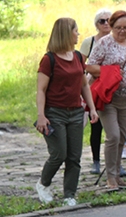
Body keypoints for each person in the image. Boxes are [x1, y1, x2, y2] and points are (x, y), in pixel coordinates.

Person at [34, 18, 99, 206]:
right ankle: (43, 183)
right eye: (76, 31)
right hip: (55, 112)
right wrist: (41, 115)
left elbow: (84, 84)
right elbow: (41, 89)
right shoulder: (49, 59)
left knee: (74, 156)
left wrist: (91, 108)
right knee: (59, 153)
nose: (78, 34)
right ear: (66, 33)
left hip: (76, 112)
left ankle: (69, 194)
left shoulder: (78, 56)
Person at [87, 10, 126, 190]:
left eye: (125, 27)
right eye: (118, 28)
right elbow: (90, 66)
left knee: (122, 137)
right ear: (112, 26)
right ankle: (110, 179)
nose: (122, 31)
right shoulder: (104, 43)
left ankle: (117, 175)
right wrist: (110, 72)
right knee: (113, 135)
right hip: (108, 98)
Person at [80, 8, 111, 174]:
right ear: (96, 24)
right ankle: (96, 161)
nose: (106, 24)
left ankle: (113, 163)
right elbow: (81, 65)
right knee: (96, 125)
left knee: (114, 129)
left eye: (108, 20)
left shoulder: (119, 40)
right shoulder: (89, 42)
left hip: (113, 89)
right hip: (94, 88)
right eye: (102, 21)